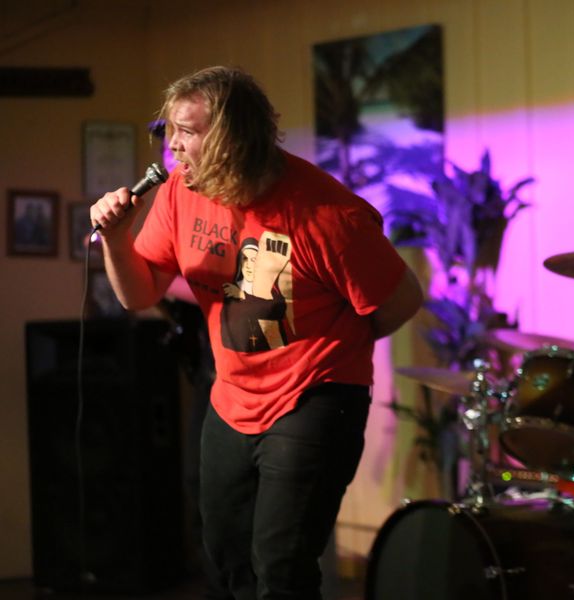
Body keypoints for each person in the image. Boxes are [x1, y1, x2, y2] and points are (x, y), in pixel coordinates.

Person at [90, 66, 423, 599]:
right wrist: (115, 238)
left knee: (281, 567)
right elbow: (140, 293)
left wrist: (332, 351)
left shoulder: (327, 214)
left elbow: (400, 301)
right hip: (232, 395)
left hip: (315, 395)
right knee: (226, 555)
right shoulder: (178, 193)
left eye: (187, 132)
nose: (173, 146)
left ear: (232, 138)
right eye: (170, 130)